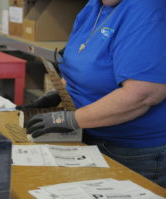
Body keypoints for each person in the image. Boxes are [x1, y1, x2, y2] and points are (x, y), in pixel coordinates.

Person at [17, 0, 166, 188]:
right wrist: (61, 94)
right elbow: (81, 65)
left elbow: (144, 94)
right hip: (89, 138)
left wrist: (69, 119)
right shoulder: (95, 7)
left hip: (134, 152)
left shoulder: (146, 10)